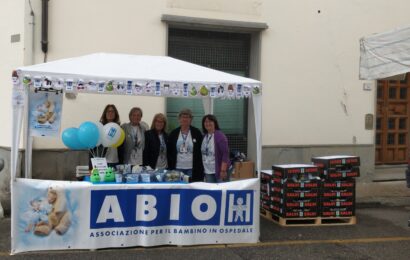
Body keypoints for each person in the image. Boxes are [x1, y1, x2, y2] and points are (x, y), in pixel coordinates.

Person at [167, 108, 204, 182]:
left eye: (187, 117)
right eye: (183, 117)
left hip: (192, 168)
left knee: (191, 188)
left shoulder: (196, 132)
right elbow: (169, 151)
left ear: (191, 119)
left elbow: (200, 150)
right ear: (179, 119)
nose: (185, 119)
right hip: (177, 167)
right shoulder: (173, 133)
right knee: (177, 188)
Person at [89, 104, 121, 169]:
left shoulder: (119, 128)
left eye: (112, 111)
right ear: (105, 113)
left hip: (115, 161)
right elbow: (93, 146)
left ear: (115, 114)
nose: (110, 113)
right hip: (101, 161)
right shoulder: (99, 127)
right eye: (108, 111)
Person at [201, 114, 230, 183]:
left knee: (221, 191)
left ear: (215, 123)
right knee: (211, 192)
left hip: (219, 170)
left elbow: (225, 154)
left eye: (210, 121)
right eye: (205, 122)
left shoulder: (220, 136)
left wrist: (223, 170)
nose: (207, 123)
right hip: (208, 171)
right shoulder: (204, 136)